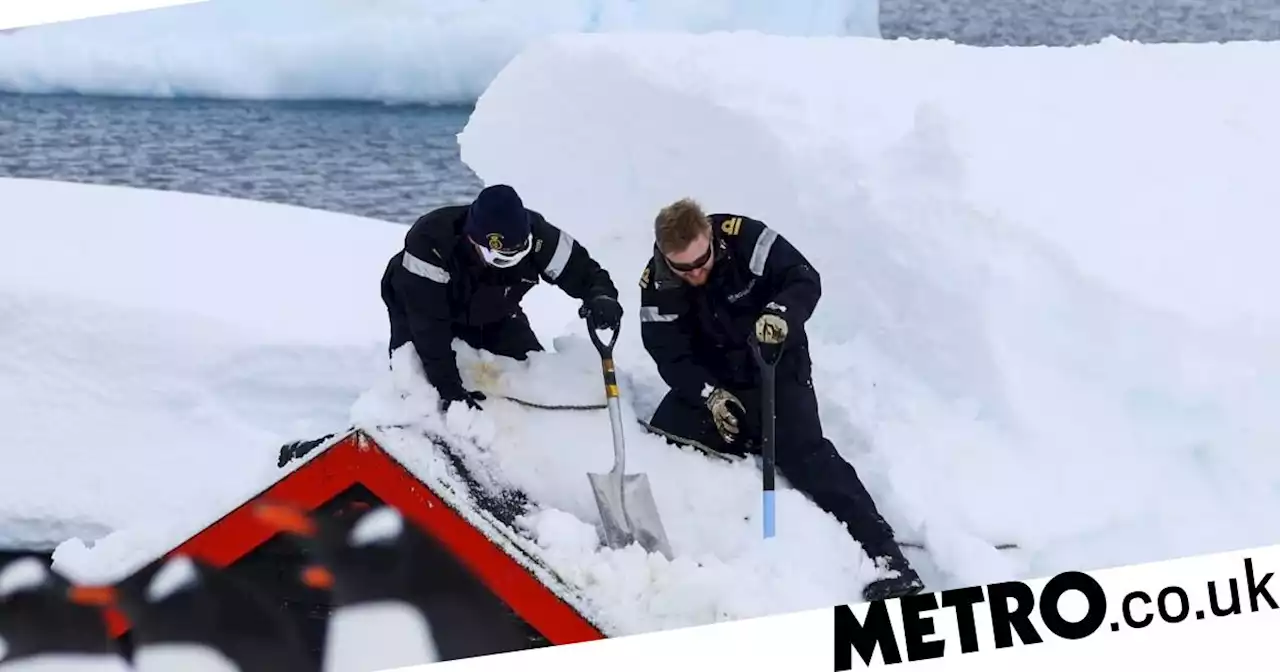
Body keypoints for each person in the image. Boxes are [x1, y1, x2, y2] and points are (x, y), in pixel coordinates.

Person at [636, 197, 924, 601]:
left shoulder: (745, 239)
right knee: (665, 433)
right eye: (684, 268)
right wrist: (709, 395)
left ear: (711, 237)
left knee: (806, 456)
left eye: (703, 261)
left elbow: (804, 277)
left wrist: (780, 315)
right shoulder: (657, 286)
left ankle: (889, 558)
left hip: (776, 366)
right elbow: (669, 355)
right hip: (720, 380)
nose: (697, 273)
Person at [381, 184, 622, 412]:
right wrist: (449, 389)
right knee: (423, 385)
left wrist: (602, 297)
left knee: (531, 373)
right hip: (419, 309)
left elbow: (585, 272)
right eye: (499, 258)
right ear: (472, 239)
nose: (508, 262)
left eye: (517, 255)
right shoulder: (431, 242)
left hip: (495, 309)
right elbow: (428, 327)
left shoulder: (541, 238)